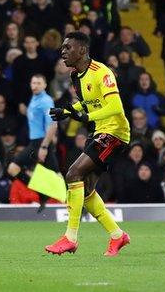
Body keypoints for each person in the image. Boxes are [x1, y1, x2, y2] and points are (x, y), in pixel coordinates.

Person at [46, 32, 130, 256]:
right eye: (62, 48)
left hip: (115, 132)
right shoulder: (76, 76)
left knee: (73, 174)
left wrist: (85, 118)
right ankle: (117, 235)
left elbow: (116, 107)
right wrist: (68, 111)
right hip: (100, 131)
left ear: (82, 50)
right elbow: (89, 101)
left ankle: (70, 238)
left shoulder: (102, 72)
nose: (62, 51)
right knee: (86, 190)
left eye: (67, 48)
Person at [6, 74, 58, 210]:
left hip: (41, 143)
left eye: (38, 83)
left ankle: (80, 205)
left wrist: (45, 146)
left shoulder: (46, 101)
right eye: (33, 83)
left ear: (45, 85)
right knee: (57, 177)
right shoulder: (35, 98)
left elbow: (53, 125)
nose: (35, 86)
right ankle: (43, 194)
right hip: (36, 142)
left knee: (58, 178)